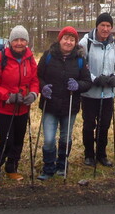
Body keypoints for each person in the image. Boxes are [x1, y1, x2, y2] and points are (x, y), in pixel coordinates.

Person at [0, 25, 39, 185]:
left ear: (27, 42)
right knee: (7, 141)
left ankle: (12, 168)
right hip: (3, 108)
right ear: (10, 41)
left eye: (23, 40)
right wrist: (8, 96)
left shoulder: (30, 57)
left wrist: (33, 94)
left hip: (23, 107)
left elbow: (35, 80)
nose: (19, 43)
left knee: (18, 141)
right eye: (16, 40)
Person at [37, 26, 92, 179]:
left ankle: (62, 165)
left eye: (72, 39)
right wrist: (43, 87)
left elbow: (87, 82)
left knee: (65, 138)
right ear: (60, 39)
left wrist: (78, 86)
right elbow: (38, 75)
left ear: (75, 42)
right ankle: (48, 167)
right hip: (50, 104)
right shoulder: (48, 56)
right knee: (48, 139)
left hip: (70, 105)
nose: (68, 42)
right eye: (66, 38)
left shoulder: (80, 59)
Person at [80, 13, 115, 167]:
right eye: (102, 25)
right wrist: (93, 78)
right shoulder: (86, 43)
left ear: (111, 28)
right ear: (97, 26)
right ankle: (89, 155)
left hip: (108, 93)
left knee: (104, 125)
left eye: (108, 26)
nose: (105, 29)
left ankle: (101, 154)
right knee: (89, 125)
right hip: (90, 92)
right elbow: (81, 65)